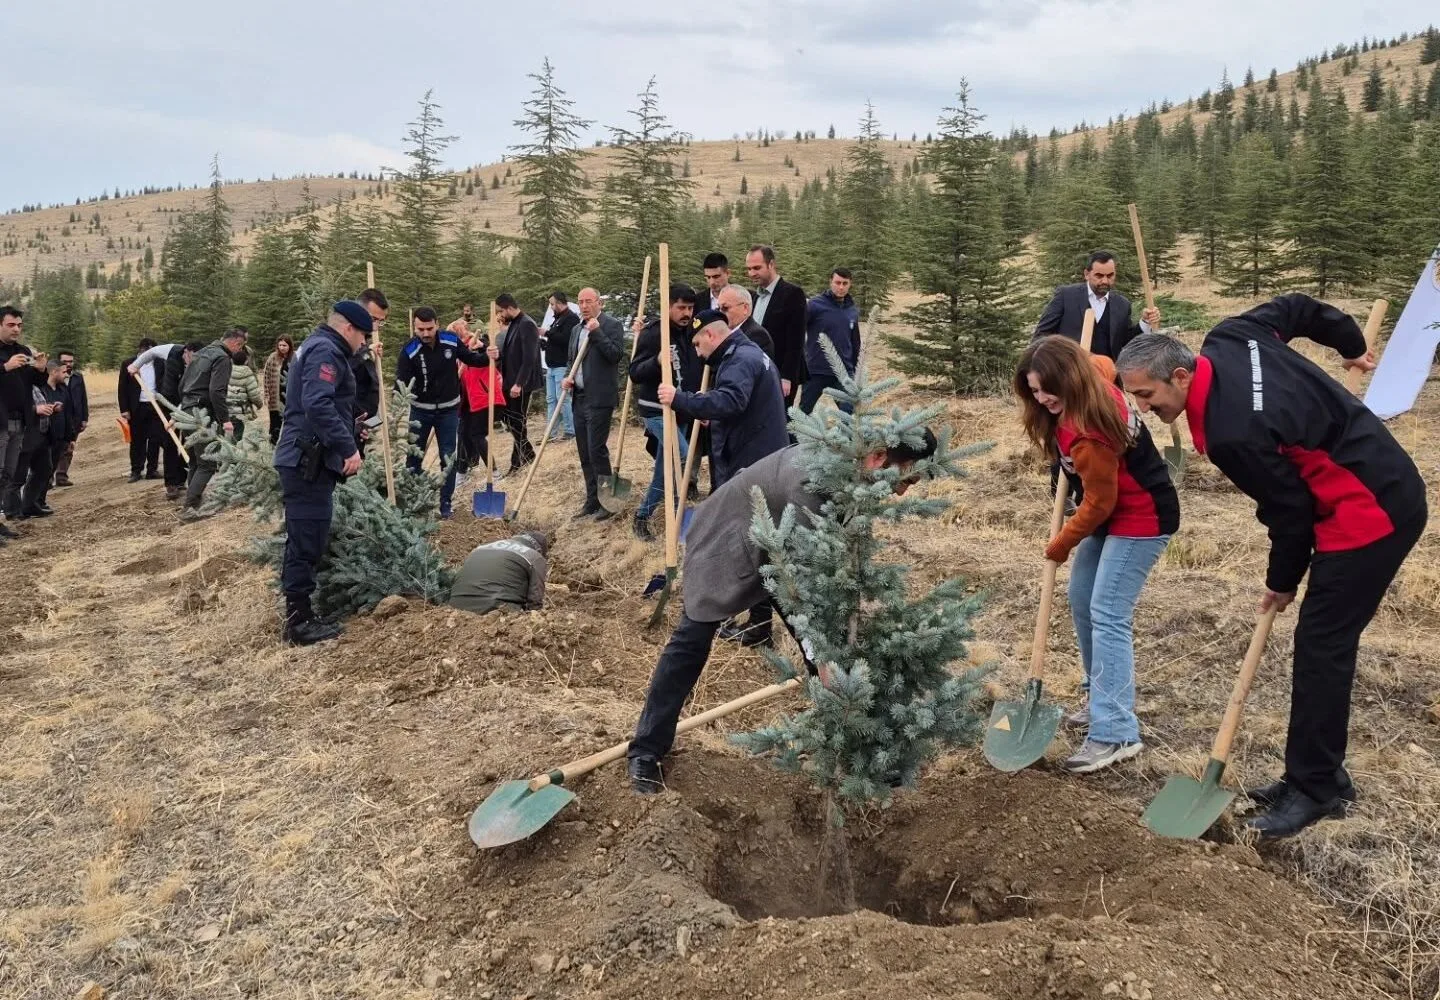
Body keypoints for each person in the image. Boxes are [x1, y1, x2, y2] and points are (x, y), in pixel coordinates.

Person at [1115, 294, 1427, 838]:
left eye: (1147, 395)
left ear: (1182, 375)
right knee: (1320, 644)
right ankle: (1317, 773)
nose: (1143, 408)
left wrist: (1281, 582)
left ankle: (1316, 790)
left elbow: (1290, 514)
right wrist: (1351, 346)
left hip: (1369, 510)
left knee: (1322, 646)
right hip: (1375, 475)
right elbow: (1300, 309)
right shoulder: (1232, 335)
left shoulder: (1234, 432)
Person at [626, 433, 939, 792]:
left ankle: (858, 752)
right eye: (907, 479)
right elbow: (806, 589)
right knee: (691, 642)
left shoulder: (851, 471)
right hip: (727, 539)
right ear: (878, 457)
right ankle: (646, 752)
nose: (902, 493)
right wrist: (823, 657)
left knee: (828, 649)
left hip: (780, 548)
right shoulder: (810, 481)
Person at [1016, 337, 1179, 774]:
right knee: (1082, 600)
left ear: (1070, 381)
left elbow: (1099, 503)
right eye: (1034, 391)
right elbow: (1104, 363)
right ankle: (1099, 697)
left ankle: (1116, 732)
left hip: (1142, 516)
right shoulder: (1091, 381)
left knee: (1107, 611)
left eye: (1048, 390)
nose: (1042, 399)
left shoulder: (1089, 432)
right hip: (1113, 516)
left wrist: (1061, 543)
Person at [660, 309, 789, 646]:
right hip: (757, 460)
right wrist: (711, 413)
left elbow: (733, 400)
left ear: (713, 336)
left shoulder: (740, 359)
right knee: (755, 544)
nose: (699, 352)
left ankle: (759, 629)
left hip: (754, 467)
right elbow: (739, 407)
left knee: (754, 546)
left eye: (699, 343)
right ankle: (756, 624)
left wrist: (681, 400)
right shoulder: (745, 354)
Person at [272, 302, 371, 645]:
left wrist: (350, 427)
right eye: (363, 334)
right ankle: (298, 624)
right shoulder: (325, 351)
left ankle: (302, 615)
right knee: (306, 539)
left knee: (307, 535)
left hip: (307, 460)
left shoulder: (322, 347)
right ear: (348, 329)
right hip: (304, 463)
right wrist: (347, 448)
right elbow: (317, 404)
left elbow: (325, 404)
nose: (364, 342)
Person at [393, 305, 488, 519]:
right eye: (420, 329)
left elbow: (472, 359)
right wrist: (396, 408)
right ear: (414, 328)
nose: (425, 333)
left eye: (429, 328)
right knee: (414, 457)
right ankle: (413, 501)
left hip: (448, 411)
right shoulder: (409, 350)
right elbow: (400, 382)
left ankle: (446, 504)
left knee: (448, 458)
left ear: (437, 324)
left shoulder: (450, 341)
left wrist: (488, 354)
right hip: (420, 412)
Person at [629, 286, 702, 540]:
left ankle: (644, 517)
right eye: (681, 307)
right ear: (668, 306)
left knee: (664, 468)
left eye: (690, 308)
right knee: (681, 457)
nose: (686, 313)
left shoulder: (690, 331)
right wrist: (657, 362)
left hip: (681, 409)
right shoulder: (654, 333)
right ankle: (675, 510)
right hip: (657, 411)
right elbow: (634, 372)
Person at [1034, 250, 1160, 362]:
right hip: (1069, 378)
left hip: (1107, 381)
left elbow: (1124, 342)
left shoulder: (1122, 304)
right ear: (1087, 274)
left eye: (1110, 276)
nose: (1105, 281)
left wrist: (1145, 322)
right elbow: (1042, 335)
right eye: (1099, 276)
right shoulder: (1066, 296)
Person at [565, 287, 625, 520]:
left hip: (599, 398)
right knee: (584, 452)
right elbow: (572, 359)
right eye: (580, 302)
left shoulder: (611, 325)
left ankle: (607, 503)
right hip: (578, 397)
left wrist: (598, 332)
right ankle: (591, 501)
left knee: (596, 450)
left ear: (599, 302)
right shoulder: (575, 329)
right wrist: (567, 377)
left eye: (588, 301)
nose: (584, 306)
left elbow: (615, 354)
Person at [178, 327, 249, 521]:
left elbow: (182, 384)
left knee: (195, 460)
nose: (239, 350)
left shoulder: (201, 354)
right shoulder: (222, 359)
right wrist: (225, 419)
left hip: (186, 410)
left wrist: (183, 408)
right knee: (207, 463)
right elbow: (217, 391)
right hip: (201, 413)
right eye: (241, 346)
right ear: (236, 343)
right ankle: (189, 509)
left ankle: (193, 501)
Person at [131, 339, 201, 500]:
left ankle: (182, 478)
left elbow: (192, 392)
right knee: (170, 441)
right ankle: (171, 483)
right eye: (191, 357)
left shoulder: (199, 365)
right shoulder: (171, 350)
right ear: (186, 351)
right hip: (166, 402)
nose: (191, 361)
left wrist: (178, 416)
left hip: (186, 403)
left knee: (187, 442)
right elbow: (151, 352)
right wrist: (136, 364)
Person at [0, 305, 45, 538]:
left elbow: (34, 382)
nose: (16, 329)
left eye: (19, 325)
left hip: (19, 421)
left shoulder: (22, 350)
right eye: (10, 325)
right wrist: (6, 367)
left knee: (7, 474)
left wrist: (40, 369)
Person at [745, 244, 807, 406]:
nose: (752, 273)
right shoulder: (753, 297)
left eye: (757, 268)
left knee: (779, 422)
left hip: (780, 375)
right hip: (756, 373)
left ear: (771, 264)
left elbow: (796, 340)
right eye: (749, 269)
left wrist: (786, 377)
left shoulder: (792, 294)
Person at [800, 267, 862, 415]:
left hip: (843, 373)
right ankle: (794, 438)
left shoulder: (852, 309)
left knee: (848, 414)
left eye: (845, 283)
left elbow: (855, 342)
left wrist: (853, 369)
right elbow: (797, 330)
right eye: (837, 282)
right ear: (830, 282)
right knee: (803, 413)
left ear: (850, 284)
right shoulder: (815, 305)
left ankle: (844, 439)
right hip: (815, 371)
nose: (841, 287)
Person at [493, 293, 542, 474]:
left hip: (520, 383)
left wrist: (519, 384)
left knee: (516, 421)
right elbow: (510, 352)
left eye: (500, 311)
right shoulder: (515, 323)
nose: (499, 315)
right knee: (512, 420)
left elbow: (530, 358)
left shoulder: (527, 324)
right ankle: (526, 455)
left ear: (508, 308)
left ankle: (518, 463)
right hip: (509, 381)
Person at [14, 359, 69, 518]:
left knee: (44, 468)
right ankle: (13, 510)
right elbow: (12, 407)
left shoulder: (35, 385)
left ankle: (29, 505)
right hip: (22, 433)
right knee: (17, 474)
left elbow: (41, 403)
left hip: (41, 433)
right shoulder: (15, 384)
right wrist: (35, 409)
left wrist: (50, 408)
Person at [448, 530, 550, 615]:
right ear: (539, 550)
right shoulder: (534, 556)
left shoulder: (480, 548)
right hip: (494, 612)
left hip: (454, 609)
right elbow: (534, 603)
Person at [456, 323, 501, 476]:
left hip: (483, 398)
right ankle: (462, 472)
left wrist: (483, 347)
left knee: (476, 435)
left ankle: (494, 472)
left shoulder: (475, 345)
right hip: (466, 402)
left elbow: (489, 355)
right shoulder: (458, 351)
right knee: (462, 435)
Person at [351, 287, 390, 456]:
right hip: (349, 424)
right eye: (373, 319)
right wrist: (365, 352)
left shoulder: (364, 341)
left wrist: (369, 351)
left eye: (380, 321)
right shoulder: (348, 339)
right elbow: (345, 366)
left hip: (364, 424)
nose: (375, 327)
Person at [119, 337, 162, 483]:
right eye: (146, 351)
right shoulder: (128, 364)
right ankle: (136, 470)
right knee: (137, 440)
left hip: (155, 405)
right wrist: (124, 409)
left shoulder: (160, 363)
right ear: (141, 350)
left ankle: (152, 470)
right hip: (136, 407)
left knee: (155, 438)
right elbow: (122, 388)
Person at [540, 291, 579, 441]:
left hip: (562, 365)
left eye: (552, 304)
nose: (551, 307)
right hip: (551, 365)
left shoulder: (571, 319)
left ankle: (570, 430)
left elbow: (566, 339)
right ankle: (551, 433)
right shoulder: (557, 319)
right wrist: (544, 343)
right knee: (551, 399)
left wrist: (547, 333)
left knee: (563, 398)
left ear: (560, 303)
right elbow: (556, 340)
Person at [51, 349, 88, 488]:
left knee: (69, 448)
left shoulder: (78, 377)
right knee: (54, 448)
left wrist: (85, 418)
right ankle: (47, 479)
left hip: (75, 418)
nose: (68, 364)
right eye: (64, 361)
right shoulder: (52, 376)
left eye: (70, 361)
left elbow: (83, 398)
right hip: (57, 417)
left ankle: (61, 476)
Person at [715, 285, 776, 361]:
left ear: (745, 308)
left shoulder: (757, 335)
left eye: (725, 308)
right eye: (718, 309)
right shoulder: (723, 333)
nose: (720, 313)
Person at [262, 335, 295, 445]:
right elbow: (266, 376)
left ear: (289, 346)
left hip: (290, 396)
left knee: (290, 423)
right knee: (275, 423)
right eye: (280, 345)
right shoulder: (273, 357)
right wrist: (266, 395)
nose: (282, 347)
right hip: (275, 397)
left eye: (284, 345)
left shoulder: (295, 358)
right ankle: (272, 445)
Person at [226, 347, 264, 430]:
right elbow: (254, 395)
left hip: (227, 412)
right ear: (246, 361)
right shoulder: (248, 373)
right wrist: (259, 404)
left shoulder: (226, 371)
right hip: (242, 412)